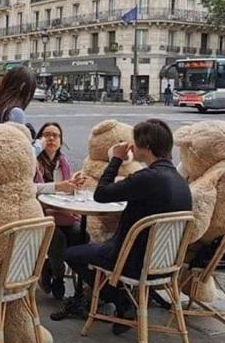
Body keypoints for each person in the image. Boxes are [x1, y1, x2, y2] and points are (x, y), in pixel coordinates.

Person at [52, 119, 192, 328]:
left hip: (131, 259)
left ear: (146, 147)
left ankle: (121, 300)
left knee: (71, 254)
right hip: (166, 264)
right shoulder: (180, 181)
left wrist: (116, 159)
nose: (132, 147)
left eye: (135, 143)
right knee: (94, 247)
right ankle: (124, 300)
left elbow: (101, 194)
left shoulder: (147, 178)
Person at [33, 122, 84, 300]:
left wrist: (73, 184)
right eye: (47, 134)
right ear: (40, 139)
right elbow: (29, 188)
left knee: (80, 233)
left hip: (63, 213)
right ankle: (58, 277)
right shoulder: (33, 161)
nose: (51, 138)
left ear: (61, 142)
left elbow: (66, 190)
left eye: (56, 135)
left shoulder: (63, 163)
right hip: (39, 213)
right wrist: (57, 186)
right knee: (57, 237)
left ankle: (55, 271)